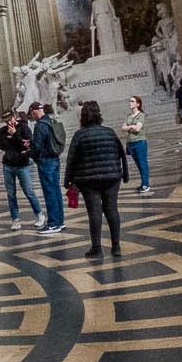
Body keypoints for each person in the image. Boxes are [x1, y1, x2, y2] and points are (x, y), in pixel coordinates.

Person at [64, 99, 128, 257]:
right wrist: (124, 174)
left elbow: (71, 159)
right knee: (112, 210)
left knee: (94, 213)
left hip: (88, 180)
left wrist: (68, 181)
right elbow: (121, 153)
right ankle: (116, 247)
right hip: (112, 177)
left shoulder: (79, 135)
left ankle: (97, 249)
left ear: (83, 117)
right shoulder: (109, 132)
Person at [0, 111, 40, 230]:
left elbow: (27, 145)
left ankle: (39, 214)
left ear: (14, 117)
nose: (8, 123)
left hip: (22, 165)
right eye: (6, 121)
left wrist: (15, 134)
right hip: (8, 165)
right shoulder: (3, 130)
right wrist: (5, 147)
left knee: (28, 191)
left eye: (10, 120)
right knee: (11, 194)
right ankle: (15, 219)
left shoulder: (24, 128)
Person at [29, 100, 65, 235]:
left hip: (45, 161)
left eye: (31, 113)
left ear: (34, 111)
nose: (31, 116)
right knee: (56, 191)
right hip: (55, 159)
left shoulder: (40, 126)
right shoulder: (51, 121)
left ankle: (53, 223)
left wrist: (29, 152)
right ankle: (60, 221)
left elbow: (37, 147)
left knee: (49, 192)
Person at [120, 95, 150, 194]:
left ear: (138, 104)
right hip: (130, 143)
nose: (130, 103)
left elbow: (137, 129)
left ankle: (146, 184)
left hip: (140, 142)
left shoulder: (141, 115)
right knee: (138, 164)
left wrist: (130, 126)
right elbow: (123, 127)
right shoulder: (129, 116)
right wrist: (131, 126)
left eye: (132, 101)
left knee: (143, 163)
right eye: (129, 101)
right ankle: (143, 183)